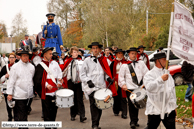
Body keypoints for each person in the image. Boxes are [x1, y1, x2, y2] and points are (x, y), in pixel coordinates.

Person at [80, 42, 117, 129]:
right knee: (93, 105)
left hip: (101, 87)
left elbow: (105, 73)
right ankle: (94, 125)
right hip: (91, 88)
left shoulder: (104, 60)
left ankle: (96, 123)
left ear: (100, 50)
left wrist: (108, 78)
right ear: (91, 49)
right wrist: (88, 81)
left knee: (100, 106)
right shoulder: (86, 61)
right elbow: (82, 74)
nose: (95, 50)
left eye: (97, 48)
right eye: (93, 48)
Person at [143, 52, 177, 129]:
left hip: (168, 109)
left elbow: (172, 91)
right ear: (158, 61)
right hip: (155, 109)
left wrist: (174, 106)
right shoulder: (149, 74)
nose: (167, 62)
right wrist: (160, 79)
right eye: (164, 59)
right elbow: (149, 87)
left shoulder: (167, 74)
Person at [118, 47, 149, 129]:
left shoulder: (141, 63)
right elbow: (120, 77)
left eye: (135, 53)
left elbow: (147, 74)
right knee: (132, 105)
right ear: (129, 54)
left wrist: (145, 83)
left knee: (137, 105)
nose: (134, 55)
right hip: (130, 88)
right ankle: (133, 122)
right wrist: (123, 84)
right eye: (132, 53)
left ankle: (135, 120)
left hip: (139, 87)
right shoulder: (124, 65)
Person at [33, 47, 63, 129]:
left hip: (55, 91)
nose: (51, 55)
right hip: (46, 92)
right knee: (47, 112)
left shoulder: (55, 63)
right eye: (50, 54)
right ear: (45, 55)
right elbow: (37, 79)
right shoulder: (40, 66)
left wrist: (60, 81)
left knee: (54, 110)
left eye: (51, 53)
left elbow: (60, 73)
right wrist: (46, 85)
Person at [6, 49, 35, 127]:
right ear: (21, 57)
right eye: (24, 56)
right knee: (22, 114)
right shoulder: (15, 67)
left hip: (29, 95)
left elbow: (31, 79)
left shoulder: (32, 67)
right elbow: (11, 81)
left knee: (23, 113)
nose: (25, 57)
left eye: (27, 56)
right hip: (19, 94)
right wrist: (10, 93)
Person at [64, 46, 87, 122]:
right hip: (71, 81)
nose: (76, 53)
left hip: (79, 82)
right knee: (72, 98)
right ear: (71, 53)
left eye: (77, 52)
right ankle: (73, 114)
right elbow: (64, 71)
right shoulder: (68, 61)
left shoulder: (81, 61)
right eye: (74, 52)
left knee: (79, 98)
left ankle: (82, 115)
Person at [109, 49, 128, 119]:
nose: (120, 54)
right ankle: (116, 110)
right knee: (116, 97)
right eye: (119, 53)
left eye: (121, 53)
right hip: (115, 82)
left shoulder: (126, 62)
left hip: (124, 81)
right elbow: (110, 72)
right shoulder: (113, 63)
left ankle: (124, 113)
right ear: (116, 54)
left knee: (123, 97)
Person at [0, 53, 16, 121]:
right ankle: (9, 116)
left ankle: (16, 116)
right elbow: (0, 79)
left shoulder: (18, 67)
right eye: (10, 57)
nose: (11, 59)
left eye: (13, 57)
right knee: (8, 103)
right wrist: (5, 76)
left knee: (16, 103)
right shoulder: (4, 67)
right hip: (6, 87)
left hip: (16, 88)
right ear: (8, 59)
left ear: (15, 58)